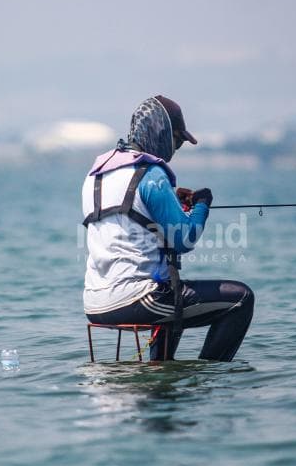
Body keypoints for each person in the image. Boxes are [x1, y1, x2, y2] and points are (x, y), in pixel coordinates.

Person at [81, 95, 254, 361]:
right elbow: (184, 239)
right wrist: (202, 204)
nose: (177, 148)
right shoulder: (152, 176)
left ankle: (160, 370)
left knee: (170, 287)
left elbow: (129, 222)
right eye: (177, 139)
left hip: (94, 303)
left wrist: (172, 201)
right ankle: (208, 382)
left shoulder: (95, 176)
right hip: (136, 301)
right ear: (159, 133)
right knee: (241, 299)